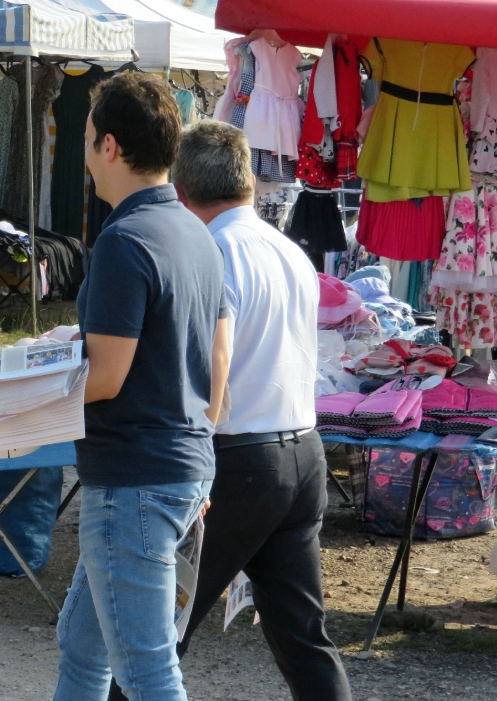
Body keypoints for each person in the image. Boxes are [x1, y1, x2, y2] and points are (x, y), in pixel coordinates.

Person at [108, 120, 353, 701]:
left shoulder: (213, 252)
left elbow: (206, 369)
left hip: (240, 455)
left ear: (181, 191)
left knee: (156, 633)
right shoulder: (289, 251)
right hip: (301, 451)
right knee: (302, 635)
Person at [53, 73, 229, 701]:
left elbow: (107, 376)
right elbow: (218, 363)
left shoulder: (124, 240)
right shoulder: (196, 232)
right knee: (83, 647)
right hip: (180, 466)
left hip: (134, 478)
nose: (83, 155)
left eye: (85, 139)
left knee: (148, 671)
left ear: (109, 146)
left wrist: (24, 392)